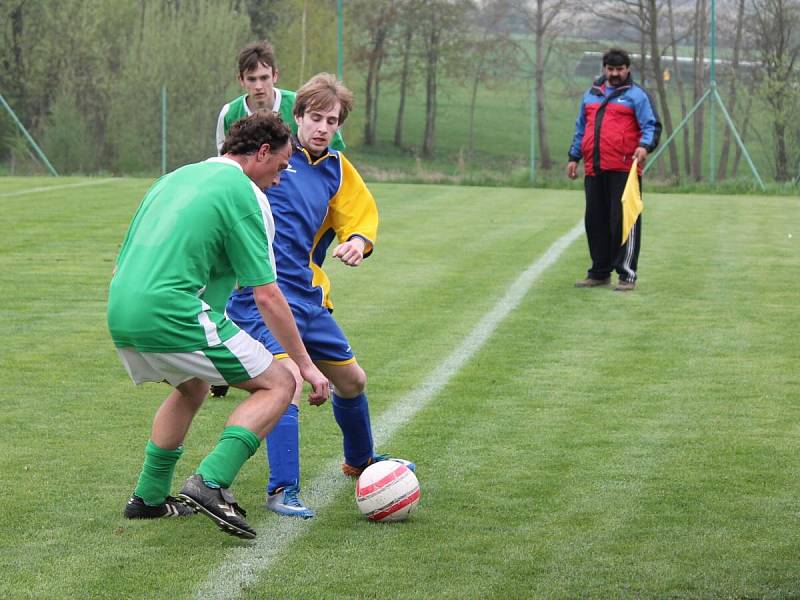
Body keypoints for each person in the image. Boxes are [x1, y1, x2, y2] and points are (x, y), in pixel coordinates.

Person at [108, 113, 329, 539]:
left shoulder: (175, 177)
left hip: (121, 306)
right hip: (170, 310)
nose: (280, 180)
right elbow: (266, 295)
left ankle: (148, 498)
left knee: (192, 386)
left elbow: (132, 257)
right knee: (280, 384)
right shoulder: (243, 192)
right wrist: (306, 365)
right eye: (281, 167)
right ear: (261, 153)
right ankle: (210, 482)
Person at [225, 73, 414, 519]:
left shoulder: (337, 169)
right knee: (287, 382)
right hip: (259, 301)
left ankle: (361, 461)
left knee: (354, 381)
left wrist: (358, 242)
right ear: (297, 117)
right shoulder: (271, 158)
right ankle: (282, 489)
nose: (323, 127)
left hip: (309, 301)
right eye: (315, 117)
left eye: (332, 120)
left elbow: (361, 217)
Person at [567, 47, 662, 292]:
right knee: (595, 221)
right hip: (594, 167)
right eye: (611, 69)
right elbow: (581, 128)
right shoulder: (591, 94)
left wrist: (644, 147)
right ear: (604, 69)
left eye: (620, 69)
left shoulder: (637, 95)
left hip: (624, 168)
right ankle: (599, 272)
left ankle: (627, 275)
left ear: (627, 69)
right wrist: (573, 156)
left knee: (624, 221)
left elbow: (651, 125)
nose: (615, 73)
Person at [215, 40, 344, 155]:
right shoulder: (229, 114)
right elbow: (224, 159)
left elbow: (334, 148)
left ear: (275, 76)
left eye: (264, 78)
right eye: (252, 79)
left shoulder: (300, 105)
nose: (258, 86)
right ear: (241, 80)